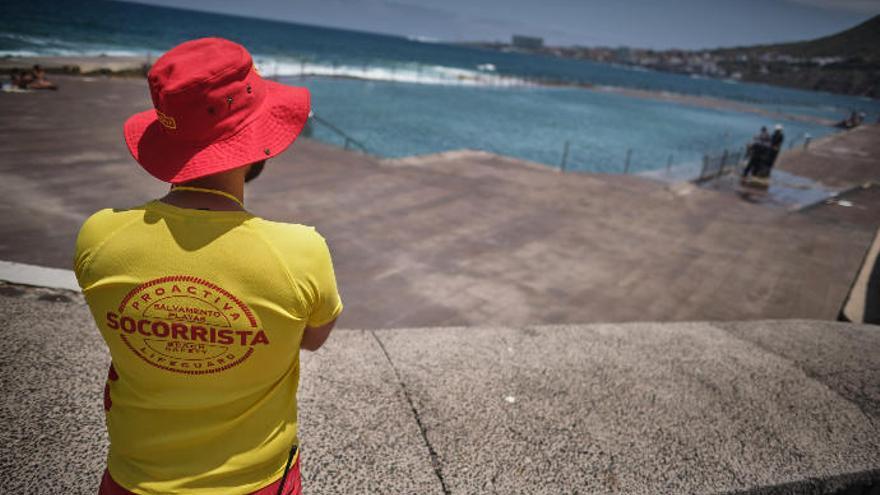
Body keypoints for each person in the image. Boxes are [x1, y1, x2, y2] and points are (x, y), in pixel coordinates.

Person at [74, 37, 343, 495]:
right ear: (260, 140)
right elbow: (312, 339)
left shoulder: (100, 237)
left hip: (132, 477)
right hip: (254, 481)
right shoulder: (300, 252)